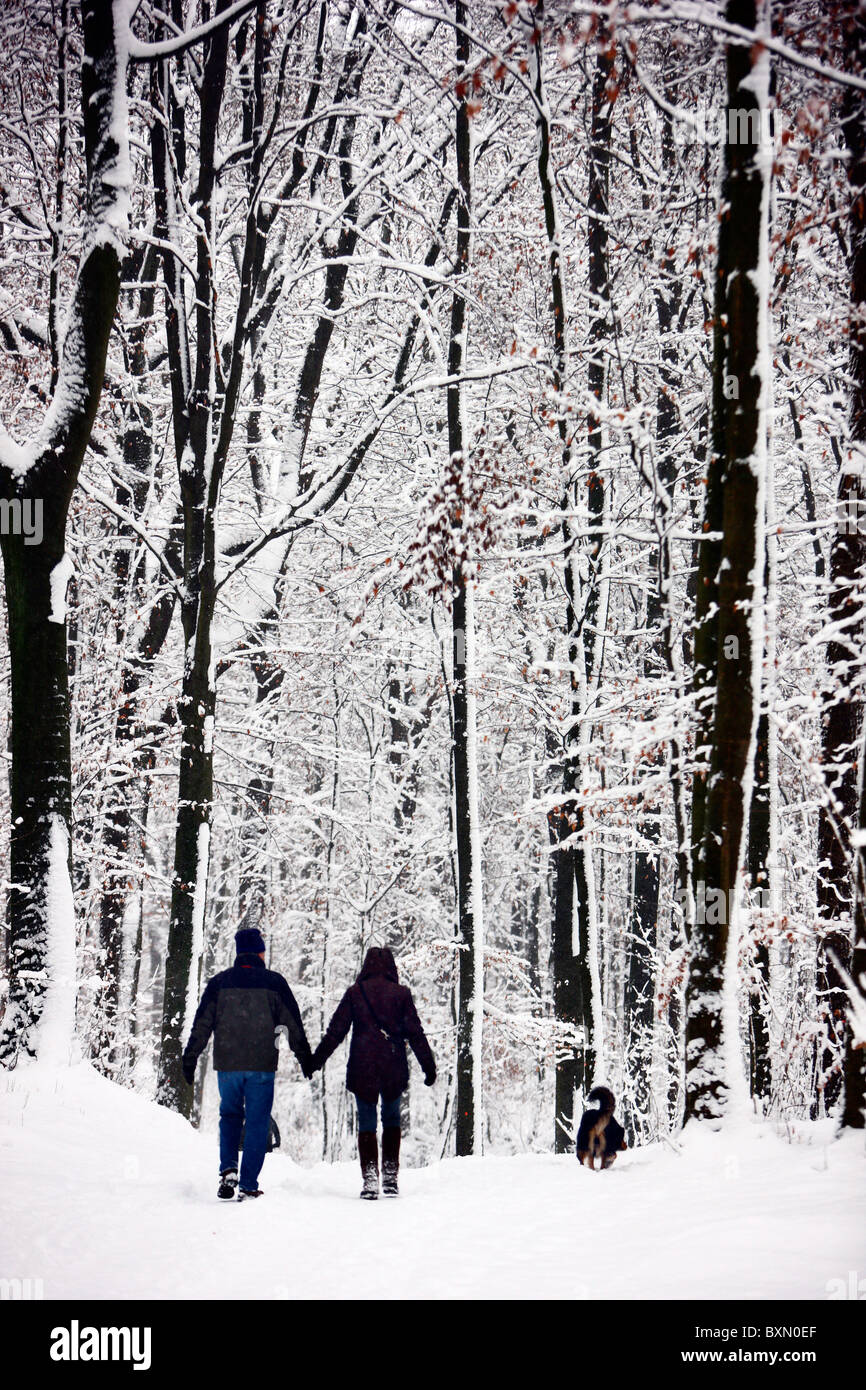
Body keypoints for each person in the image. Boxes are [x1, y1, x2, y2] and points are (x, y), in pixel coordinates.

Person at [182, 927, 312, 1201]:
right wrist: (305, 1058)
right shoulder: (275, 983)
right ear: (260, 953)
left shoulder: (219, 983)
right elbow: (293, 1023)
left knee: (229, 1115)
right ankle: (249, 1183)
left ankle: (229, 1169)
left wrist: (191, 1056)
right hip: (261, 1065)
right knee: (257, 1121)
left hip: (228, 1064)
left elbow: (202, 1023)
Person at [309, 946, 435, 1200]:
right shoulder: (401, 994)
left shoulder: (356, 993)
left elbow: (336, 1031)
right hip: (392, 1066)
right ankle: (390, 1176)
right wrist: (428, 1066)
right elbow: (416, 1033)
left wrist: (315, 1061)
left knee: (367, 1124)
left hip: (363, 1067)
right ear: (391, 967)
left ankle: (370, 1179)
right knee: (392, 1120)